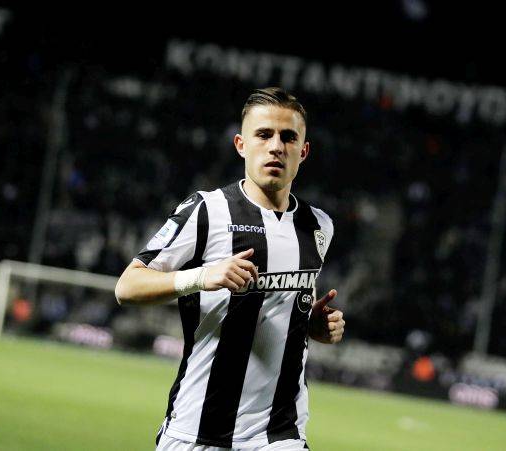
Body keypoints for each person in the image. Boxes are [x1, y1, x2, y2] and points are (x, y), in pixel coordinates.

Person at [115, 87, 345, 451]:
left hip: (279, 434)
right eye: (264, 134)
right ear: (241, 145)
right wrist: (201, 277)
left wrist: (311, 324)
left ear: (303, 151)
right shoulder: (207, 211)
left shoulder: (319, 226)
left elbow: (288, 306)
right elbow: (127, 286)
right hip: (197, 431)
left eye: (288, 137)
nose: (275, 147)